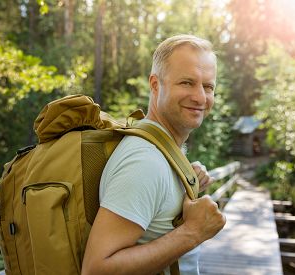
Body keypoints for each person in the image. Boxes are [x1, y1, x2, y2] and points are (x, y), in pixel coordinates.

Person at [82, 34, 226, 275]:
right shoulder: (144, 162)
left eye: (208, 86)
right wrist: (193, 232)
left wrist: (185, 182)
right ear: (155, 85)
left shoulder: (162, 151)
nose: (200, 97)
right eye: (187, 82)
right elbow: (97, 269)